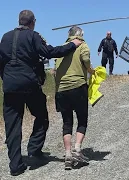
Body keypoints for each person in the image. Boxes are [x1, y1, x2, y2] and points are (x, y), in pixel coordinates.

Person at [0, 10, 82, 176]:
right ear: (33, 22)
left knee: (13, 126)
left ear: (19, 21)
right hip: (29, 85)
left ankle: (15, 166)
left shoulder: (5, 37)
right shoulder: (33, 36)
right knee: (42, 116)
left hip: (10, 86)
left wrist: (6, 78)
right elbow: (50, 52)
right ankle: (34, 150)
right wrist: (72, 45)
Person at [54, 26, 95, 170]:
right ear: (81, 34)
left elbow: (55, 70)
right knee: (82, 119)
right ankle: (77, 149)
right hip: (78, 87)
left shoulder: (61, 48)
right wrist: (91, 70)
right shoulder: (83, 45)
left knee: (67, 122)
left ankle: (67, 155)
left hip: (61, 90)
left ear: (69, 34)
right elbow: (85, 59)